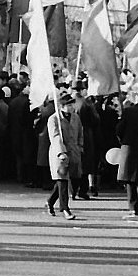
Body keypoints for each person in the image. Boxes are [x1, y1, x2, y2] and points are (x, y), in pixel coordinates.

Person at [46, 92, 82, 221]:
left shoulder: (76, 118)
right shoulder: (53, 119)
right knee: (62, 180)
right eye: (68, 105)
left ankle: (50, 201)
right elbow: (55, 137)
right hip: (59, 153)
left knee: (71, 179)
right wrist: (61, 152)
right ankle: (65, 208)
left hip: (74, 152)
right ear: (61, 106)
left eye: (72, 104)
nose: (71, 107)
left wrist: (80, 147)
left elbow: (80, 134)